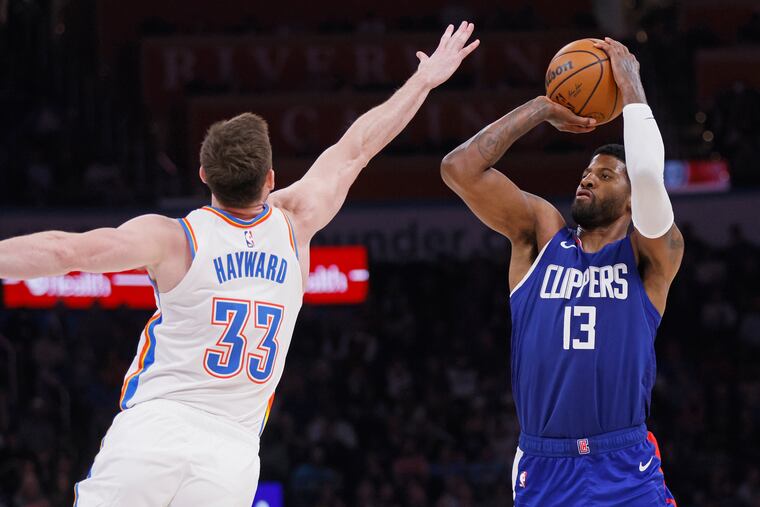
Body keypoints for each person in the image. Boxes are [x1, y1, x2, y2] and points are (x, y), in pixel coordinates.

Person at [0, 22, 479, 507]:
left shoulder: (175, 239)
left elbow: (64, 252)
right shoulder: (296, 222)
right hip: (231, 455)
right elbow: (358, 147)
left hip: (155, 430)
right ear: (270, 178)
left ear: (203, 175)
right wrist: (423, 81)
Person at [440, 37, 682, 506]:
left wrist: (630, 85)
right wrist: (539, 109)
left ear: (631, 200)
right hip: (545, 465)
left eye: (606, 175)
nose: (588, 178)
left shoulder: (651, 254)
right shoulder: (541, 235)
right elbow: (458, 169)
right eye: (587, 172)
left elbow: (649, 178)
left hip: (625, 465)